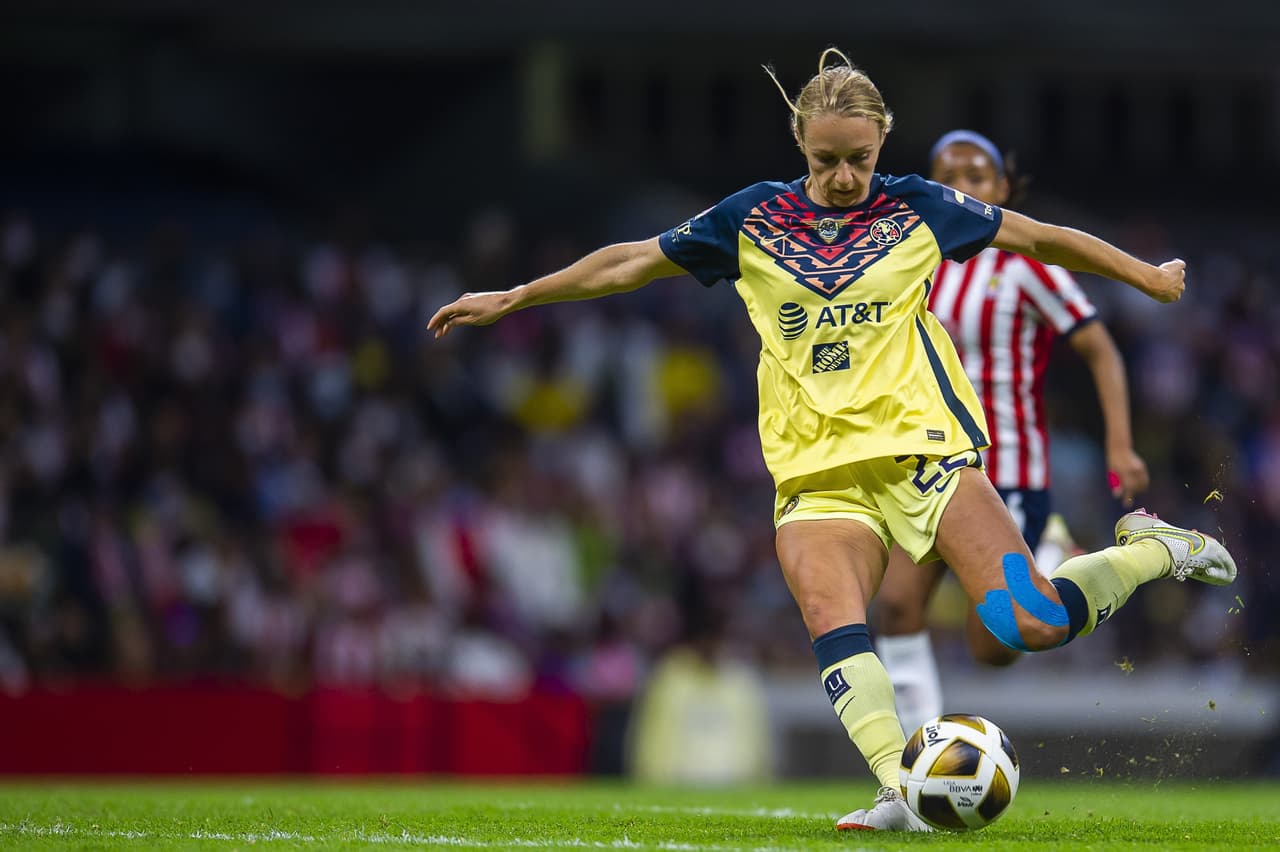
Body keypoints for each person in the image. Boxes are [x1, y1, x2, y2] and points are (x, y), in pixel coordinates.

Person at [428, 47, 1237, 832]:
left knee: (1027, 625)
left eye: (857, 158)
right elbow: (630, 263)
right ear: (801, 148)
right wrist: (518, 295)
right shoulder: (749, 218)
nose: (843, 176)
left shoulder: (922, 207)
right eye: (825, 160)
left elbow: (1039, 237)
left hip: (925, 457)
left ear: (880, 142)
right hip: (816, 476)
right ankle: (900, 787)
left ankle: (1153, 549)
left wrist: (1146, 275)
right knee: (833, 616)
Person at [874, 129, 1151, 736]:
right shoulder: (909, 262)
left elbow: (1099, 347)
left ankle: (1058, 554)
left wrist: (1120, 443)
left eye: (975, 178)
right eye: (947, 178)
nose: (960, 189)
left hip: (1007, 472)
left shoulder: (1024, 265)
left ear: (1001, 189)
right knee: (895, 607)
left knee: (994, 644)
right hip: (928, 467)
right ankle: (921, 759)